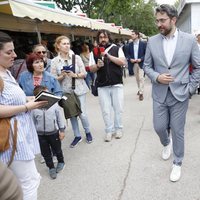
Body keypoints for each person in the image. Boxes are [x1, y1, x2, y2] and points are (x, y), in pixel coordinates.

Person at [143, 4, 200, 182]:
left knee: (177, 130)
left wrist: (190, 88)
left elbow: (197, 67)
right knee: (159, 127)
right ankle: (166, 143)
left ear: (173, 20)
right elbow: (147, 66)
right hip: (160, 93)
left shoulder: (190, 40)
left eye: (162, 20)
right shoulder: (152, 41)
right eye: (157, 20)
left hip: (181, 93)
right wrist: (157, 77)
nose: (159, 24)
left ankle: (177, 162)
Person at [0, 31, 48, 199]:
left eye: (13, 50)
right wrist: (28, 106)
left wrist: (30, 99)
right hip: (12, 137)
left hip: (19, 134)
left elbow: (11, 100)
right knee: (30, 181)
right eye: (8, 52)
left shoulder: (6, 72)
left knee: (22, 182)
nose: (14, 55)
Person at [51, 36, 93, 148]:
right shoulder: (55, 61)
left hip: (79, 89)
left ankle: (88, 132)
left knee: (82, 114)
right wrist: (62, 76)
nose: (67, 45)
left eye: (68, 43)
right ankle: (77, 135)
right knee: (72, 115)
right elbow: (53, 79)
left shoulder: (76, 58)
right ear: (58, 46)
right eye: (64, 44)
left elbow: (85, 73)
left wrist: (75, 75)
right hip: (65, 91)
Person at [89, 29, 126, 142]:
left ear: (109, 38)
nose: (103, 39)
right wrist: (98, 65)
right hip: (102, 85)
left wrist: (108, 56)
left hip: (116, 84)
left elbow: (123, 62)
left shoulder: (116, 48)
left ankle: (118, 128)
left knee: (118, 108)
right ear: (98, 39)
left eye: (105, 37)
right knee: (105, 110)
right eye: (100, 37)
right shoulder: (93, 52)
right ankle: (109, 131)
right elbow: (91, 69)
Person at [32, 85, 66, 179]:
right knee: (45, 153)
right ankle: (50, 167)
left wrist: (62, 130)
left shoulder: (54, 106)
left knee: (57, 149)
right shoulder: (34, 108)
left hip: (53, 133)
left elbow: (60, 119)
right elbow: (32, 123)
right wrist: (34, 136)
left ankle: (61, 162)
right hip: (41, 135)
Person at [127, 31, 147, 101]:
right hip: (134, 63)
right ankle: (139, 89)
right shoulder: (130, 45)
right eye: (131, 34)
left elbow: (146, 54)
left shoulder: (143, 44)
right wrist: (130, 59)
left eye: (133, 34)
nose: (131, 35)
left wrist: (141, 59)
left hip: (141, 63)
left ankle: (141, 93)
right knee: (137, 78)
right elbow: (128, 54)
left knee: (141, 78)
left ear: (137, 35)